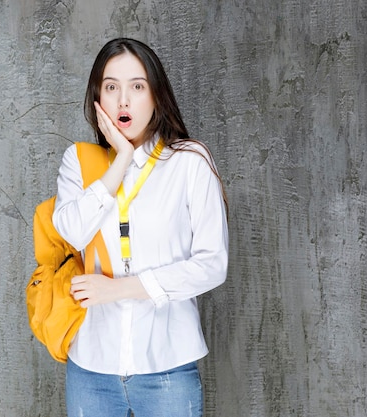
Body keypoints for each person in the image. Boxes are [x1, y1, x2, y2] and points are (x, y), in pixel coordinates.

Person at [52, 38, 229, 417]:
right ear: (97, 97)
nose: (123, 101)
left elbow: (212, 264)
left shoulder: (189, 162)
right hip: (91, 369)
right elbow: (73, 233)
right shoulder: (79, 163)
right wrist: (122, 160)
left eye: (137, 86)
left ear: (156, 94)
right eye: (111, 87)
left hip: (167, 367)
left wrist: (117, 290)